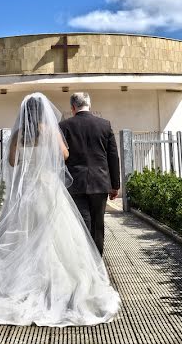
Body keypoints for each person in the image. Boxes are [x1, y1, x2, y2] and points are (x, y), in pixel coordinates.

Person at [0, 93, 120, 327]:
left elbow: (13, 162)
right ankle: (58, 281)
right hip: (48, 187)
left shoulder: (18, 134)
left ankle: (20, 281)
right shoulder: (50, 130)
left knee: (23, 234)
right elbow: (64, 155)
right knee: (55, 236)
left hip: (27, 192)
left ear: (24, 112)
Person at [58, 92, 120, 255]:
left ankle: (83, 262)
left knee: (81, 224)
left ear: (72, 107)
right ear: (89, 105)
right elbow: (113, 156)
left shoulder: (64, 126)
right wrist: (115, 185)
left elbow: (59, 157)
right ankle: (97, 261)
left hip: (75, 184)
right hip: (100, 183)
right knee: (97, 224)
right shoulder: (104, 125)